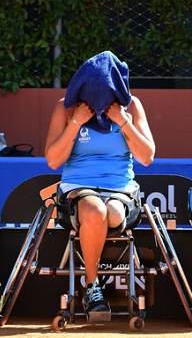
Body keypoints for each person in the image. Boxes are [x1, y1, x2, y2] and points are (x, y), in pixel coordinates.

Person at [45, 51, 155, 314]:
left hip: (120, 188)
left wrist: (123, 121)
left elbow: (147, 157)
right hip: (78, 187)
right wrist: (76, 123)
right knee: (95, 211)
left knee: (113, 213)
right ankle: (92, 287)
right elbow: (52, 160)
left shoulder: (132, 107)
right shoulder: (65, 107)